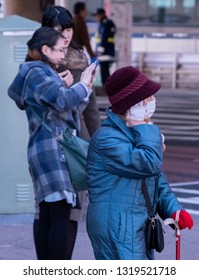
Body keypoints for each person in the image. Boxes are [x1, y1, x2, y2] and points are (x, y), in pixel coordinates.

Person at [86, 66, 194, 260]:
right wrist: (145, 128)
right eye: (147, 97)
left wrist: (173, 209)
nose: (152, 101)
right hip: (117, 224)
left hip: (134, 221)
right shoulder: (107, 139)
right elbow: (149, 164)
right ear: (131, 104)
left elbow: (156, 179)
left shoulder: (134, 134)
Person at [8, 27, 96, 260]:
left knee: (48, 211)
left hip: (45, 148)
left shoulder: (43, 73)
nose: (63, 55)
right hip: (52, 150)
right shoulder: (37, 71)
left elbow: (66, 108)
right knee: (59, 213)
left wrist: (72, 89)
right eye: (60, 50)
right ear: (44, 49)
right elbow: (63, 101)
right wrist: (83, 84)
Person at [41, 5, 101, 259]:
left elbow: (92, 109)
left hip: (77, 142)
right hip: (48, 141)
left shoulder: (79, 57)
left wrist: (98, 143)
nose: (64, 35)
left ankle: (63, 265)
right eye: (58, 30)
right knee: (47, 208)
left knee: (74, 208)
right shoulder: (38, 59)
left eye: (67, 29)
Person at [92, 8, 116, 85]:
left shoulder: (106, 24)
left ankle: (107, 87)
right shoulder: (105, 23)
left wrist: (100, 50)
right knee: (105, 70)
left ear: (102, 15)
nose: (96, 17)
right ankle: (107, 87)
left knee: (104, 71)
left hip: (105, 52)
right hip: (107, 51)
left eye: (97, 15)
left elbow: (104, 37)